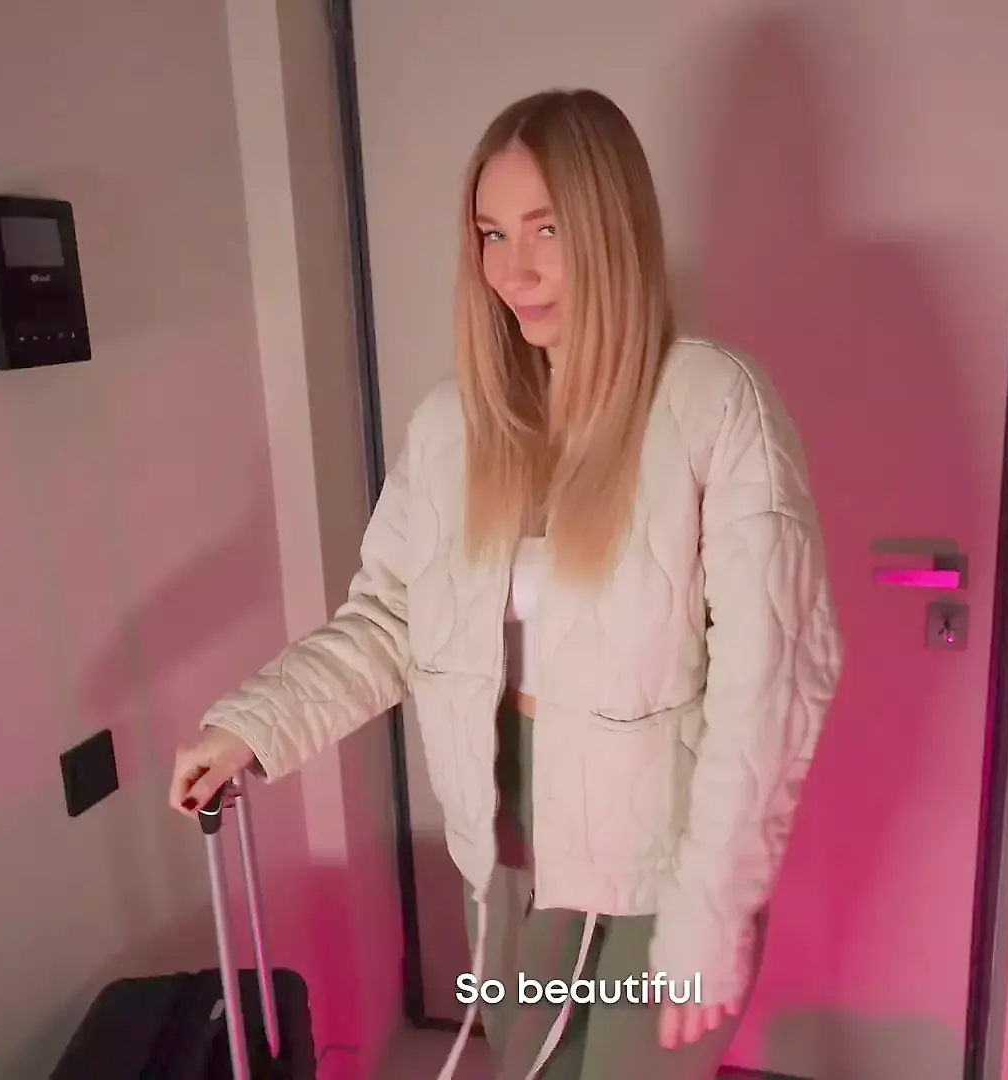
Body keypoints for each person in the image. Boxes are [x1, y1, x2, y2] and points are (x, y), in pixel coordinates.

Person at [169, 88, 842, 1080]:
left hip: (661, 874)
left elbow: (771, 681)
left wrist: (715, 907)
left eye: (546, 229)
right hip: (510, 862)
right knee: (525, 1064)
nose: (512, 269)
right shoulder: (454, 427)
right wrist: (254, 724)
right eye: (491, 234)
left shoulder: (713, 405)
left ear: (612, 230)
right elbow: (391, 620)